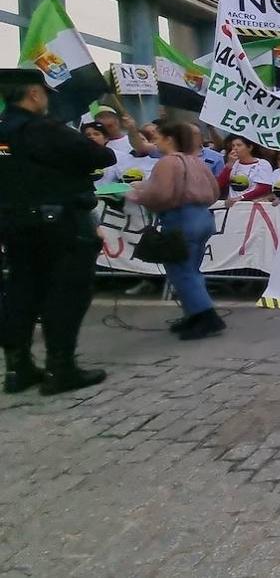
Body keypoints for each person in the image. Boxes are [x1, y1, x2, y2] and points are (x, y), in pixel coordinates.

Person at [0, 70, 115, 395]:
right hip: (60, 225)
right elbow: (99, 155)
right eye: (46, 94)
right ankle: (60, 368)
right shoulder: (44, 129)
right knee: (66, 293)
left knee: (21, 291)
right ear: (34, 94)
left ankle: (17, 367)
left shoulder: (2, 133)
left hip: (14, 224)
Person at [126, 122, 225, 340]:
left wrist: (138, 195)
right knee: (191, 268)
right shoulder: (195, 161)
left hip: (182, 220)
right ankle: (194, 314)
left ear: (169, 139)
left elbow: (161, 195)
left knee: (181, 270)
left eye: (158, 138)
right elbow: (215, 189)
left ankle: (207, 317)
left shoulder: (168, 163)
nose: (155, 142)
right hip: (203, 218)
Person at [217, 136, 274, 205]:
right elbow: (220, 184)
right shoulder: (233, 163)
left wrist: (241, 198)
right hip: (232, 205)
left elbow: (264, 188)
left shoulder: (262, 163)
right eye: (233, 145)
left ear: (249, 148)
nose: (235, 148)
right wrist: (229, 166)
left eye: (239, 145)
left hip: (251, 205)